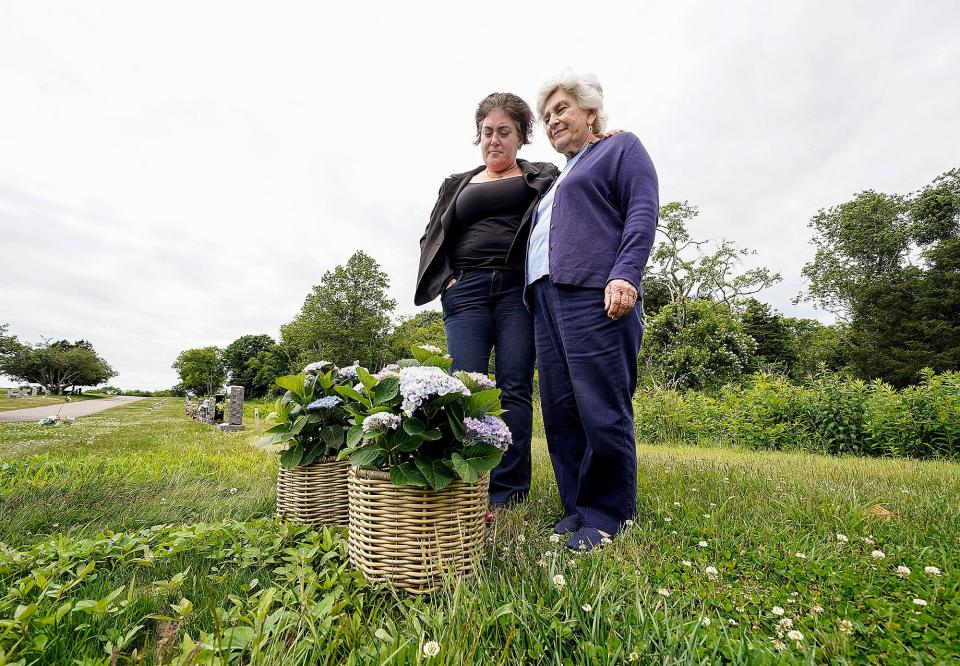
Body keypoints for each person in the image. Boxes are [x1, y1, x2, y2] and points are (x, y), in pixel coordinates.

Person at [526, 70, 659, 551]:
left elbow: (642, 210)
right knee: (561, 412)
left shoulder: (620, 149)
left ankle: (608, 517)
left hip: (594, 291)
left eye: (561, 109)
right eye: (546, 117)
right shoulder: (559, 177)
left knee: (600, 406)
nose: (553, 121)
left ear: (590, 111)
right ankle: (577, 508)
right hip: (545, 298)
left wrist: (625, 274)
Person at [416, 93, 559, 508]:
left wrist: (604, 135)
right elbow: (432, 237)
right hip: (467, 291)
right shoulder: (456, 184)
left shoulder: (542, 175)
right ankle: (469, 484)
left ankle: (508, 491)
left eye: (504, 132)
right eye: (487, 132)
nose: (494, 140)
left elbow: (582, 173)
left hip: (518, 290)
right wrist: (447, 280)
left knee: (514, 387)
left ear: (520, 137)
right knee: (467, 387)